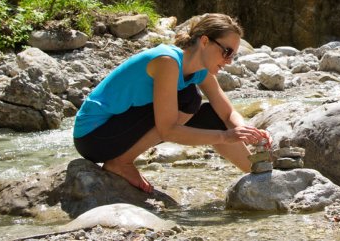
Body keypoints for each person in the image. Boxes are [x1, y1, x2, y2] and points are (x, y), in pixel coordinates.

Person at [73, 13, 269, 193]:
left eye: (233, 55)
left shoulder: (200, 69)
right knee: (189, 98)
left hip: (118, 129)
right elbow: (167, 130)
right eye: (227, 52)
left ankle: (262, 179)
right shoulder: (167, 61)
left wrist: (248, 131)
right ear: (205, 41)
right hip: (94, 137)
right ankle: (121, 162)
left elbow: (226, 113)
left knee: (210, 114)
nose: (229, 61)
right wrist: (226, 136)